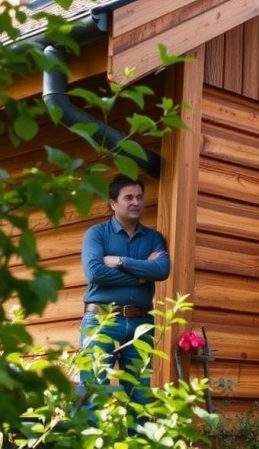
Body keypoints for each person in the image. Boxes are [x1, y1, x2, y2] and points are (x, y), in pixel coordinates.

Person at [79, 174, 171, 406]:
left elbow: (161, 269)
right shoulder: (97, 234)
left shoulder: (153, 238)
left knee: (139, 396)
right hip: (101, 321)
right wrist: (141, 276)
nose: (136, 202)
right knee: (93, 394)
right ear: (113, 203)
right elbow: (96, 273)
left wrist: (121, 261)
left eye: (139, 197)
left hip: (141, 324)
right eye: (128, 197)